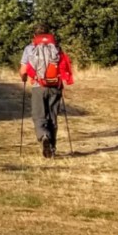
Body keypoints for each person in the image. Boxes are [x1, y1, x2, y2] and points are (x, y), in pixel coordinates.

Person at [20, 28, 73, 158]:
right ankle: (52, 148)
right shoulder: (56, 47)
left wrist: (24, 79)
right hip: (55, 86)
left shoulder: (30, 48)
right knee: (52, 116)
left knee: (39, 116)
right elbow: (63, 66)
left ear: (34, 35)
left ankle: (44, 137)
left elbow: (23, 71)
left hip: (38, 86)